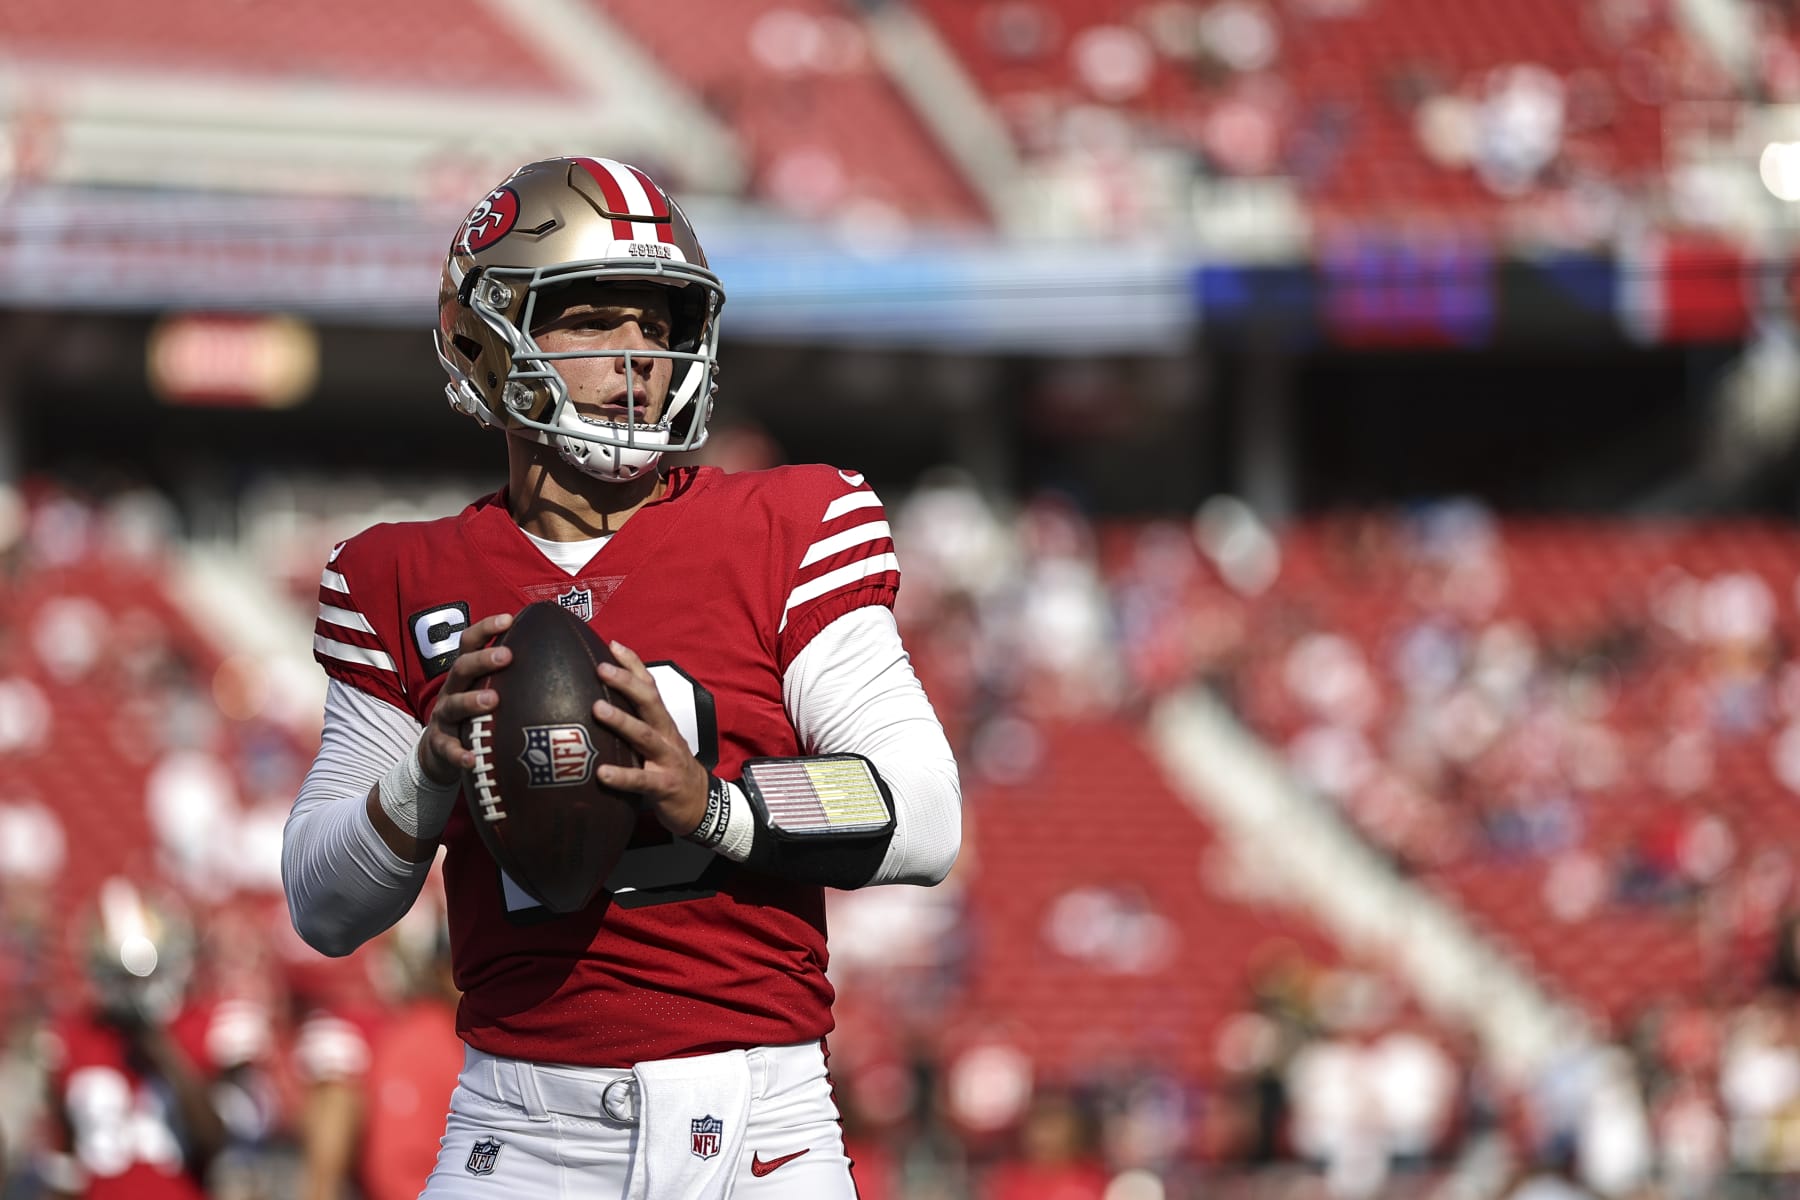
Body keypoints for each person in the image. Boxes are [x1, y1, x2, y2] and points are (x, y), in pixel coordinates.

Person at [281, 156, 963, 1199]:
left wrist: (719, 806)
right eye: (595, 319)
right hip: (519, 1129)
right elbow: (324, 906)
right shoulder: (399, 577)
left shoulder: (787, 524)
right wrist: (425, 776)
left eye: (658, 323)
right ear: (485, 337)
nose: (638, 355)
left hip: (761, 1129)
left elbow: (924, 810)